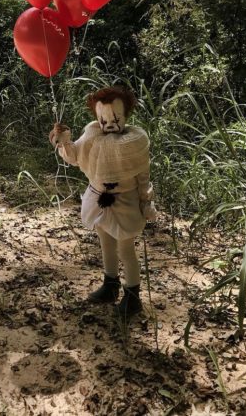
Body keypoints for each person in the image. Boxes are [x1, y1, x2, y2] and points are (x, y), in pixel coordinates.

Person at [49, 86, 157, 320]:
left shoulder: (135, 140)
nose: (108, 124)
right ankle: (110, 285)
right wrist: (63, 140)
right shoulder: (92, 133)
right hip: (98, 198)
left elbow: (143, 175)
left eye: (115, 118)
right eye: (103, 118)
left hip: (126, 201)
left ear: (126, 115)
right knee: (106, 243)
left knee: (126, 249)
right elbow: (75, 155)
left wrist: (146, 201)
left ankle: (133, 296)